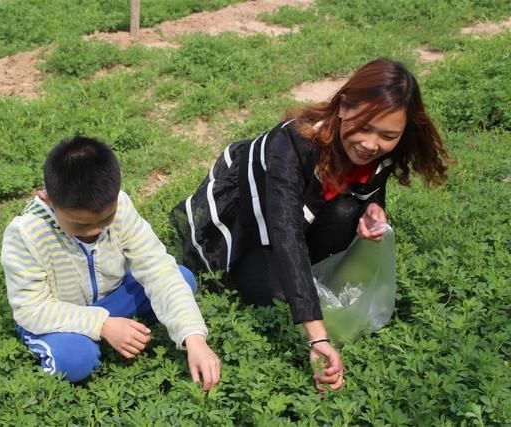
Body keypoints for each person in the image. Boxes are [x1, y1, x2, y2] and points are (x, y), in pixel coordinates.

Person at [170, 58, 449, 392]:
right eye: (364, 127)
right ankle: (284, 284)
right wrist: (317, 338)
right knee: (273, 293)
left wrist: (373, 209)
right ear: (344, 106)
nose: (372, 144)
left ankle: (306, 283)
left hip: (302, 217)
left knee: (348, 212)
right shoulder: (291, 145)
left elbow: (372, 184)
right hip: (244, 226)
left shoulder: (385, 147)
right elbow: (284, 232)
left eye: (388, 135)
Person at [1, 135, 220, 390]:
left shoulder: (122, 207)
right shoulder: (26, 234)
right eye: (79, 225)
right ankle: (82, 342)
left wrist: (194, 338)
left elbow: (157, 268)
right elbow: (32, 309)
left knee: (181, 277)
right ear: (48, 199)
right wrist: (102, 324)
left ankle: (113, 332)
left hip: (113, 299)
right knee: (75, 360)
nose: (93, 231)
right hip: (56, 314)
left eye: (106, 219)